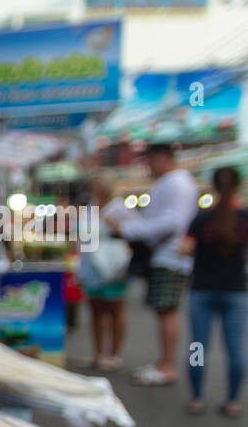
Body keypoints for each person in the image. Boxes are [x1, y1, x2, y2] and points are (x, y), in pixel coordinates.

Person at [105, 143, 199, 386]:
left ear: (162, 157)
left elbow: (171, 222)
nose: (147, 165)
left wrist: (128, 228)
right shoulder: (173, 182)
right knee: (163, 310)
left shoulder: (177, 183)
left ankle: (167, 365)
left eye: (149, 160)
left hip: (169, 257)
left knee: (166, 310)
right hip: (165, 256)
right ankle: (164, 363)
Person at [181, 166, 248, 417]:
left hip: (202, 290)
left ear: (213, 185)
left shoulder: (201, 220)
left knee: (198, 347)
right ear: (239, 185)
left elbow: (183, 249)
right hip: (236, 291)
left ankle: (197, 398)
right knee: (236, 350)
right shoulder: (244, 218)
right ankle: (232, 401)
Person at [82, 173, 129, 371]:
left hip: (113, 264)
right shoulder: (90, 207)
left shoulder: (119, 207)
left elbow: (133, 231)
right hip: (91, 265)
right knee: (96, 310)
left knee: (115, 309)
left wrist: (116, 227)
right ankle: (98, 352)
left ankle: (114, 354)